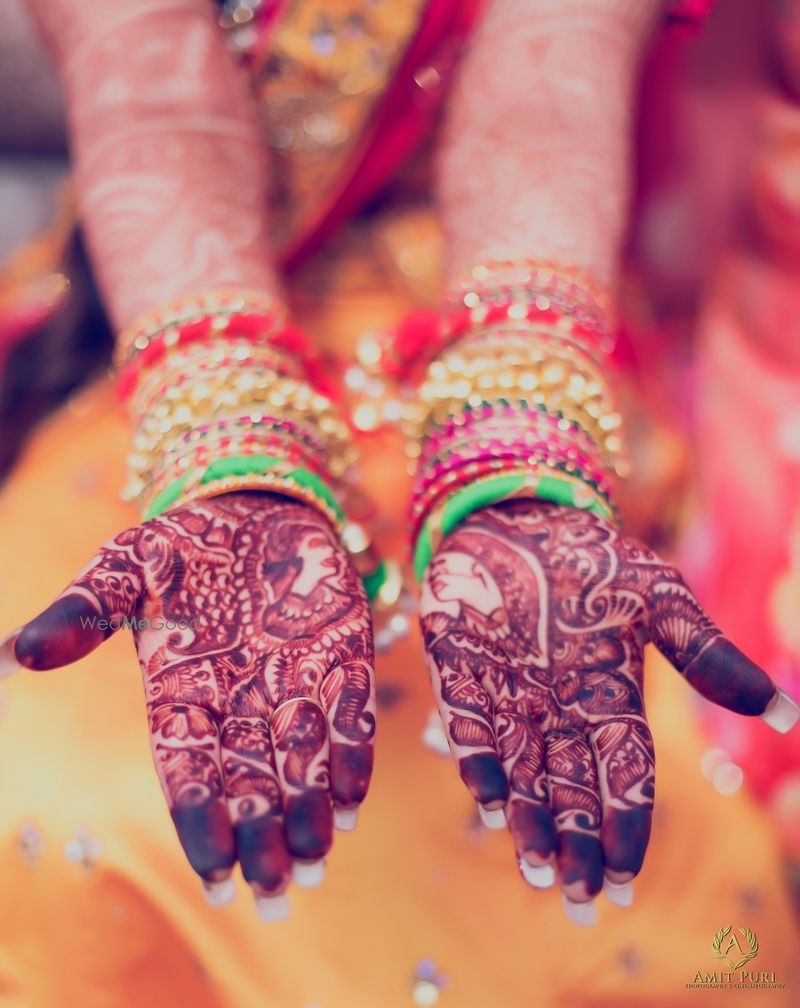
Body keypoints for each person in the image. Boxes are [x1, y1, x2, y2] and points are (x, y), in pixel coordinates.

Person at [0, 1, 798, 1005]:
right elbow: (150, 78)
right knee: (54, 782)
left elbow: (549, 71)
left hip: (517, 300)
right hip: (179, 311)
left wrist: (516, 446)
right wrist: (228, 453)